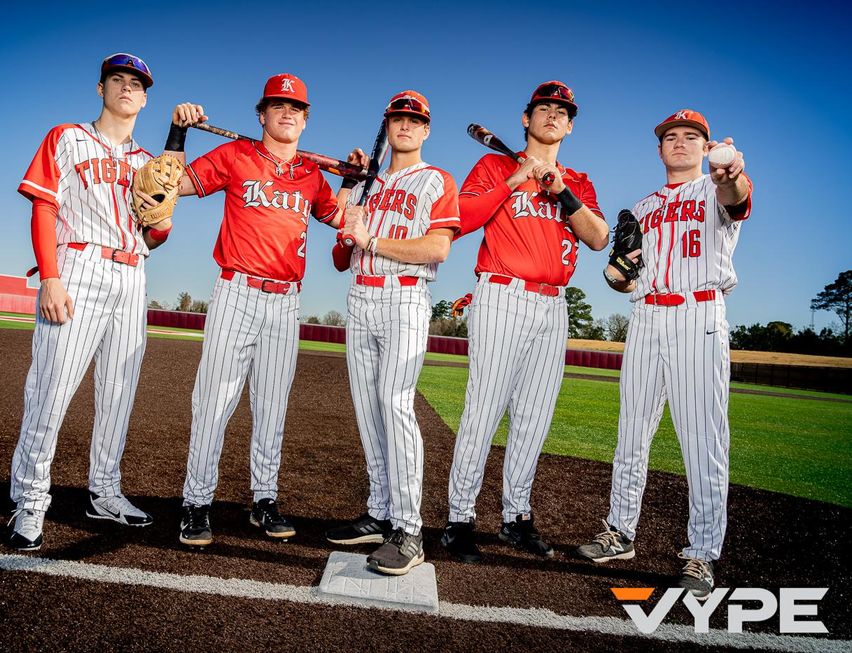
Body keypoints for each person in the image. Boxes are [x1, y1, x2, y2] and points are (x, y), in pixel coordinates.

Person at [161, 74, 362, 547]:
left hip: (286, 301)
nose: (287, 113)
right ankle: (196, 501)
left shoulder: (313, 176)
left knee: (272, 406)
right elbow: (174, 186)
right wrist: (178, 132)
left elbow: (339, 219)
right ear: (262, 115)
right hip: (237, 291)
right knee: (213, 401)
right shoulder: (235, 156)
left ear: (305, 118)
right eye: (277, 106)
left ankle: (264, 499)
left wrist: (352, 180)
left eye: (295, 107)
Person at [576, 109, 751, 599]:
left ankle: (701, 553)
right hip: (645, 316)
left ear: (706, 146)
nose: (679, 143)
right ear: (658, 150)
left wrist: (730, 175)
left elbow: (737, 199)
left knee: (702, 440)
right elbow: (619, 279)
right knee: (632, 432)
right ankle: (619, 532)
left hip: (698, 314)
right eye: (670, 137)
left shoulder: (715, 188)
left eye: (691, 136)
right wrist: (620, 268)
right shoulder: (640, 207)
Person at [8, 53, 172, 551]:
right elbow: (44, 207)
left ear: (145, 98)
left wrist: (159, 218)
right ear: (100, 88)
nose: (127, 88)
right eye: (118, 80)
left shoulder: (150, 163)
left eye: (136, 84)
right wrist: (51, 278)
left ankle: (104, 491)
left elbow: (157, 235)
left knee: (118, 392)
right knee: (52, 388)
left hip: (132, 274)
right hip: (77, 266)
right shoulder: (66, 137)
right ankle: (31, 499)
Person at [441, 81, 608, 563]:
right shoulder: (494, 164)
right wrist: (512, 182)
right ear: (526, 118)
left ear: (570, 125)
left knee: (534, 417)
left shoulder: (578, 179)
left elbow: (597, 239)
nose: (553, 116)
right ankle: (459, 519)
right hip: (502, 293)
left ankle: (517, 517)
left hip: (554, 304)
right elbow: (464, 219)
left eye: (562, 112)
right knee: (484, 408)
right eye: (544, 109)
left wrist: (563, 192)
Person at [325, 91, 460, 575]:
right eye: (397, 118)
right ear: (387, 125)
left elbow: (438, 247)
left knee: (394, 403)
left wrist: (373, 240)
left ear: (425, 130)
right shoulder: (369, 184)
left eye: (413, 120)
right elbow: (341, 257)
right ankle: (380, 511)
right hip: (359, 298)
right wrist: (349, 193)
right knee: (368, 410)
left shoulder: (436, 179)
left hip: (404, 297)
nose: (404, 125)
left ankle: (409, 529)